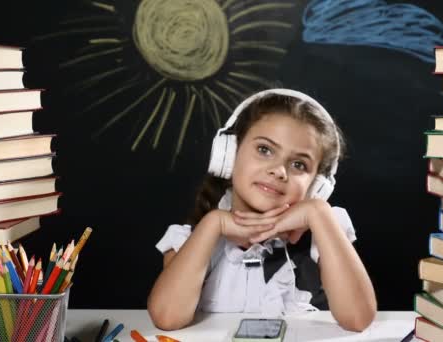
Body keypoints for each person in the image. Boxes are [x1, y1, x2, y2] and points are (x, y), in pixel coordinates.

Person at [147, 88, 377, 332]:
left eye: (299, 164)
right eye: (265, 150)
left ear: (315, 187)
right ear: (229, 154)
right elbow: (166, 318)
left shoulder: (322, 237)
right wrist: (214, 223)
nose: (279, 171)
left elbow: (358, 319)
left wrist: (319, 213)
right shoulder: (193, 238)